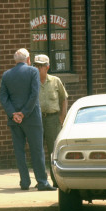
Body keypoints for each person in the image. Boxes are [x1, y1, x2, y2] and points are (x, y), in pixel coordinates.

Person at [0, 48, 57, 191]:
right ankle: (42, 182)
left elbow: (3, 97)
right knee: (37, 150)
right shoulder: (33, 72)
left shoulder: (6, 75)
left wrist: (14, 114)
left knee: (19, 151)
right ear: (28, 59)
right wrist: (23, 113)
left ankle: (24, 182)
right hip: (32, 118)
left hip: (14, 120)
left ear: (15, 60)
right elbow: (34, 95)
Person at [34, 54, 68, 187]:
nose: (38, 68)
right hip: (37, 119)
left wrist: (62, 116)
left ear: (47, 67)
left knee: (53, 151)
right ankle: (42, 181)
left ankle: (55, 180)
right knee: (38, 150)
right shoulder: (32, 82)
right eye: (36, 65)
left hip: (53, 119)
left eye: (41, 66)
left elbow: (64, 98)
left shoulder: (55, 81)